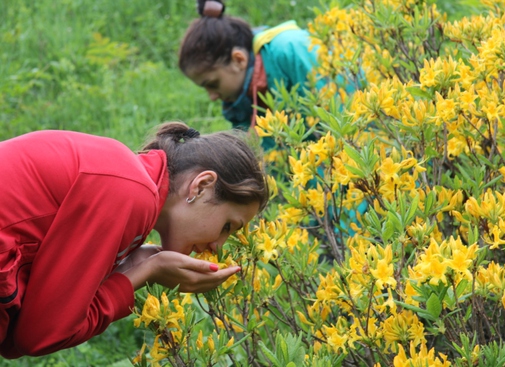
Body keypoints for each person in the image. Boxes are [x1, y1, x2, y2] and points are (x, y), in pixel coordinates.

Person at [0, 122, 269, 358]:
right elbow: (41, 335)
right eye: (227, 226)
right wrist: (147, 272)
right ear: (201, 186)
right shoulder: (130, 191)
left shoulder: (129, 181)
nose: (217, 246)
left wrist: (135, 263)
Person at [178, 0, 324, 137]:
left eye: (213, 84)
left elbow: (337, 118)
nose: (212, 97)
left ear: (238, 60)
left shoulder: (291, 49)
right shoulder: (240, 96)